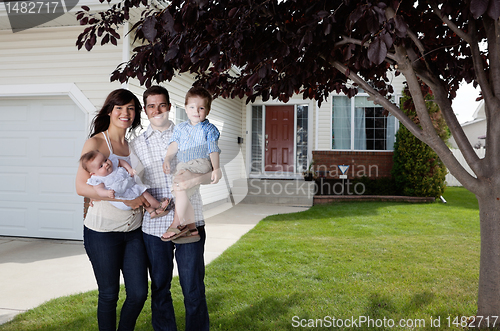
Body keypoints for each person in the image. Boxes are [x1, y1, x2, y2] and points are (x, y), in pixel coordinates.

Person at [129, 85, 210, 331]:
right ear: (145, 110)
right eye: (151, 106)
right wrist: (152, 205)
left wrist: (190, 181)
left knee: (192, 287)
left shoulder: (190, 133)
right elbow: (136, 184)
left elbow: (209, 171)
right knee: (160, 287)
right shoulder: (136, 144)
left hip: (189, 222)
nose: (157, 110)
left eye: (162, 104)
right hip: (154, 226)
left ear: (170, 106)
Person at [75, 89, 149, 331]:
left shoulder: (134, 145)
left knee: (138, 293)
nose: (125, 113)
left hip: (134, 230)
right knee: (109, 294)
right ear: (109, 111)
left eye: (130, 108)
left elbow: (135, 183)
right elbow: (80, 187)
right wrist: (124, 201)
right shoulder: (97, 142)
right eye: (119, 108)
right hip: (103, 232)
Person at [162, 86, 221, 242]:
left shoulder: (209, 129)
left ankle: (176, 224)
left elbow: (213, 149)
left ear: (207, 111)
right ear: (186, 109)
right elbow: (174, 145)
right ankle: (192, 227)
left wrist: (216, 168)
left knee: (180, 185)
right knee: (181, 191)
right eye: (192, 107)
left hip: (200, 163)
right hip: (184, 164)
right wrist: (167, 159)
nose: (196, 111)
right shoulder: (181, 128)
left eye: (201, 108)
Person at [80, 149, 173, 218]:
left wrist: (130, 170)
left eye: (105, 160)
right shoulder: (98, 179)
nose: (106, 164)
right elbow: (99, 191)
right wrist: (107, 193)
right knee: (142, 194)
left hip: (130, 188)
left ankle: (152, 212)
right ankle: (158, 205)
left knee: (142, 193)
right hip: (122, 198)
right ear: (93, 173)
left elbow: (121, 161)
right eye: (101, 166)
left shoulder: (114, 164)